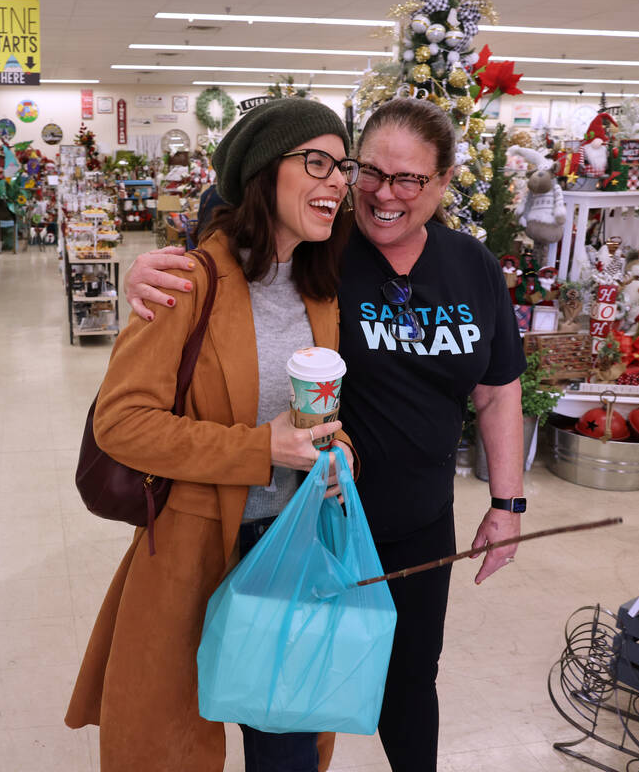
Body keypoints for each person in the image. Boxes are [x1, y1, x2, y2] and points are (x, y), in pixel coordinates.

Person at [121, 96, 527, 771]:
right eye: (367, 171)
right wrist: (149, 270)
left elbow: (498, 387)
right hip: (311, 521)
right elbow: (234, 216)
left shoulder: (470, 265)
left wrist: (508, 503)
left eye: (410, 180)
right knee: (261, 701)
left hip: (420, 518)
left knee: (406, 678)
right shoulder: (324, 247)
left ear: (445, 183)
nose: (382, 193)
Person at [65, 98, 363, 771]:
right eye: (316, 161)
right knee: (175, 744)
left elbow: (320, 421)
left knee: (287, 748)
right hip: (195, 548)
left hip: (290, 552)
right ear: (264, 172)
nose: (339, 180)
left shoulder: (321, 289)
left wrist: (337, 458)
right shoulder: (187, 280)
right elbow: (121, 423)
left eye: (343, 165)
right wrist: (261, 449)